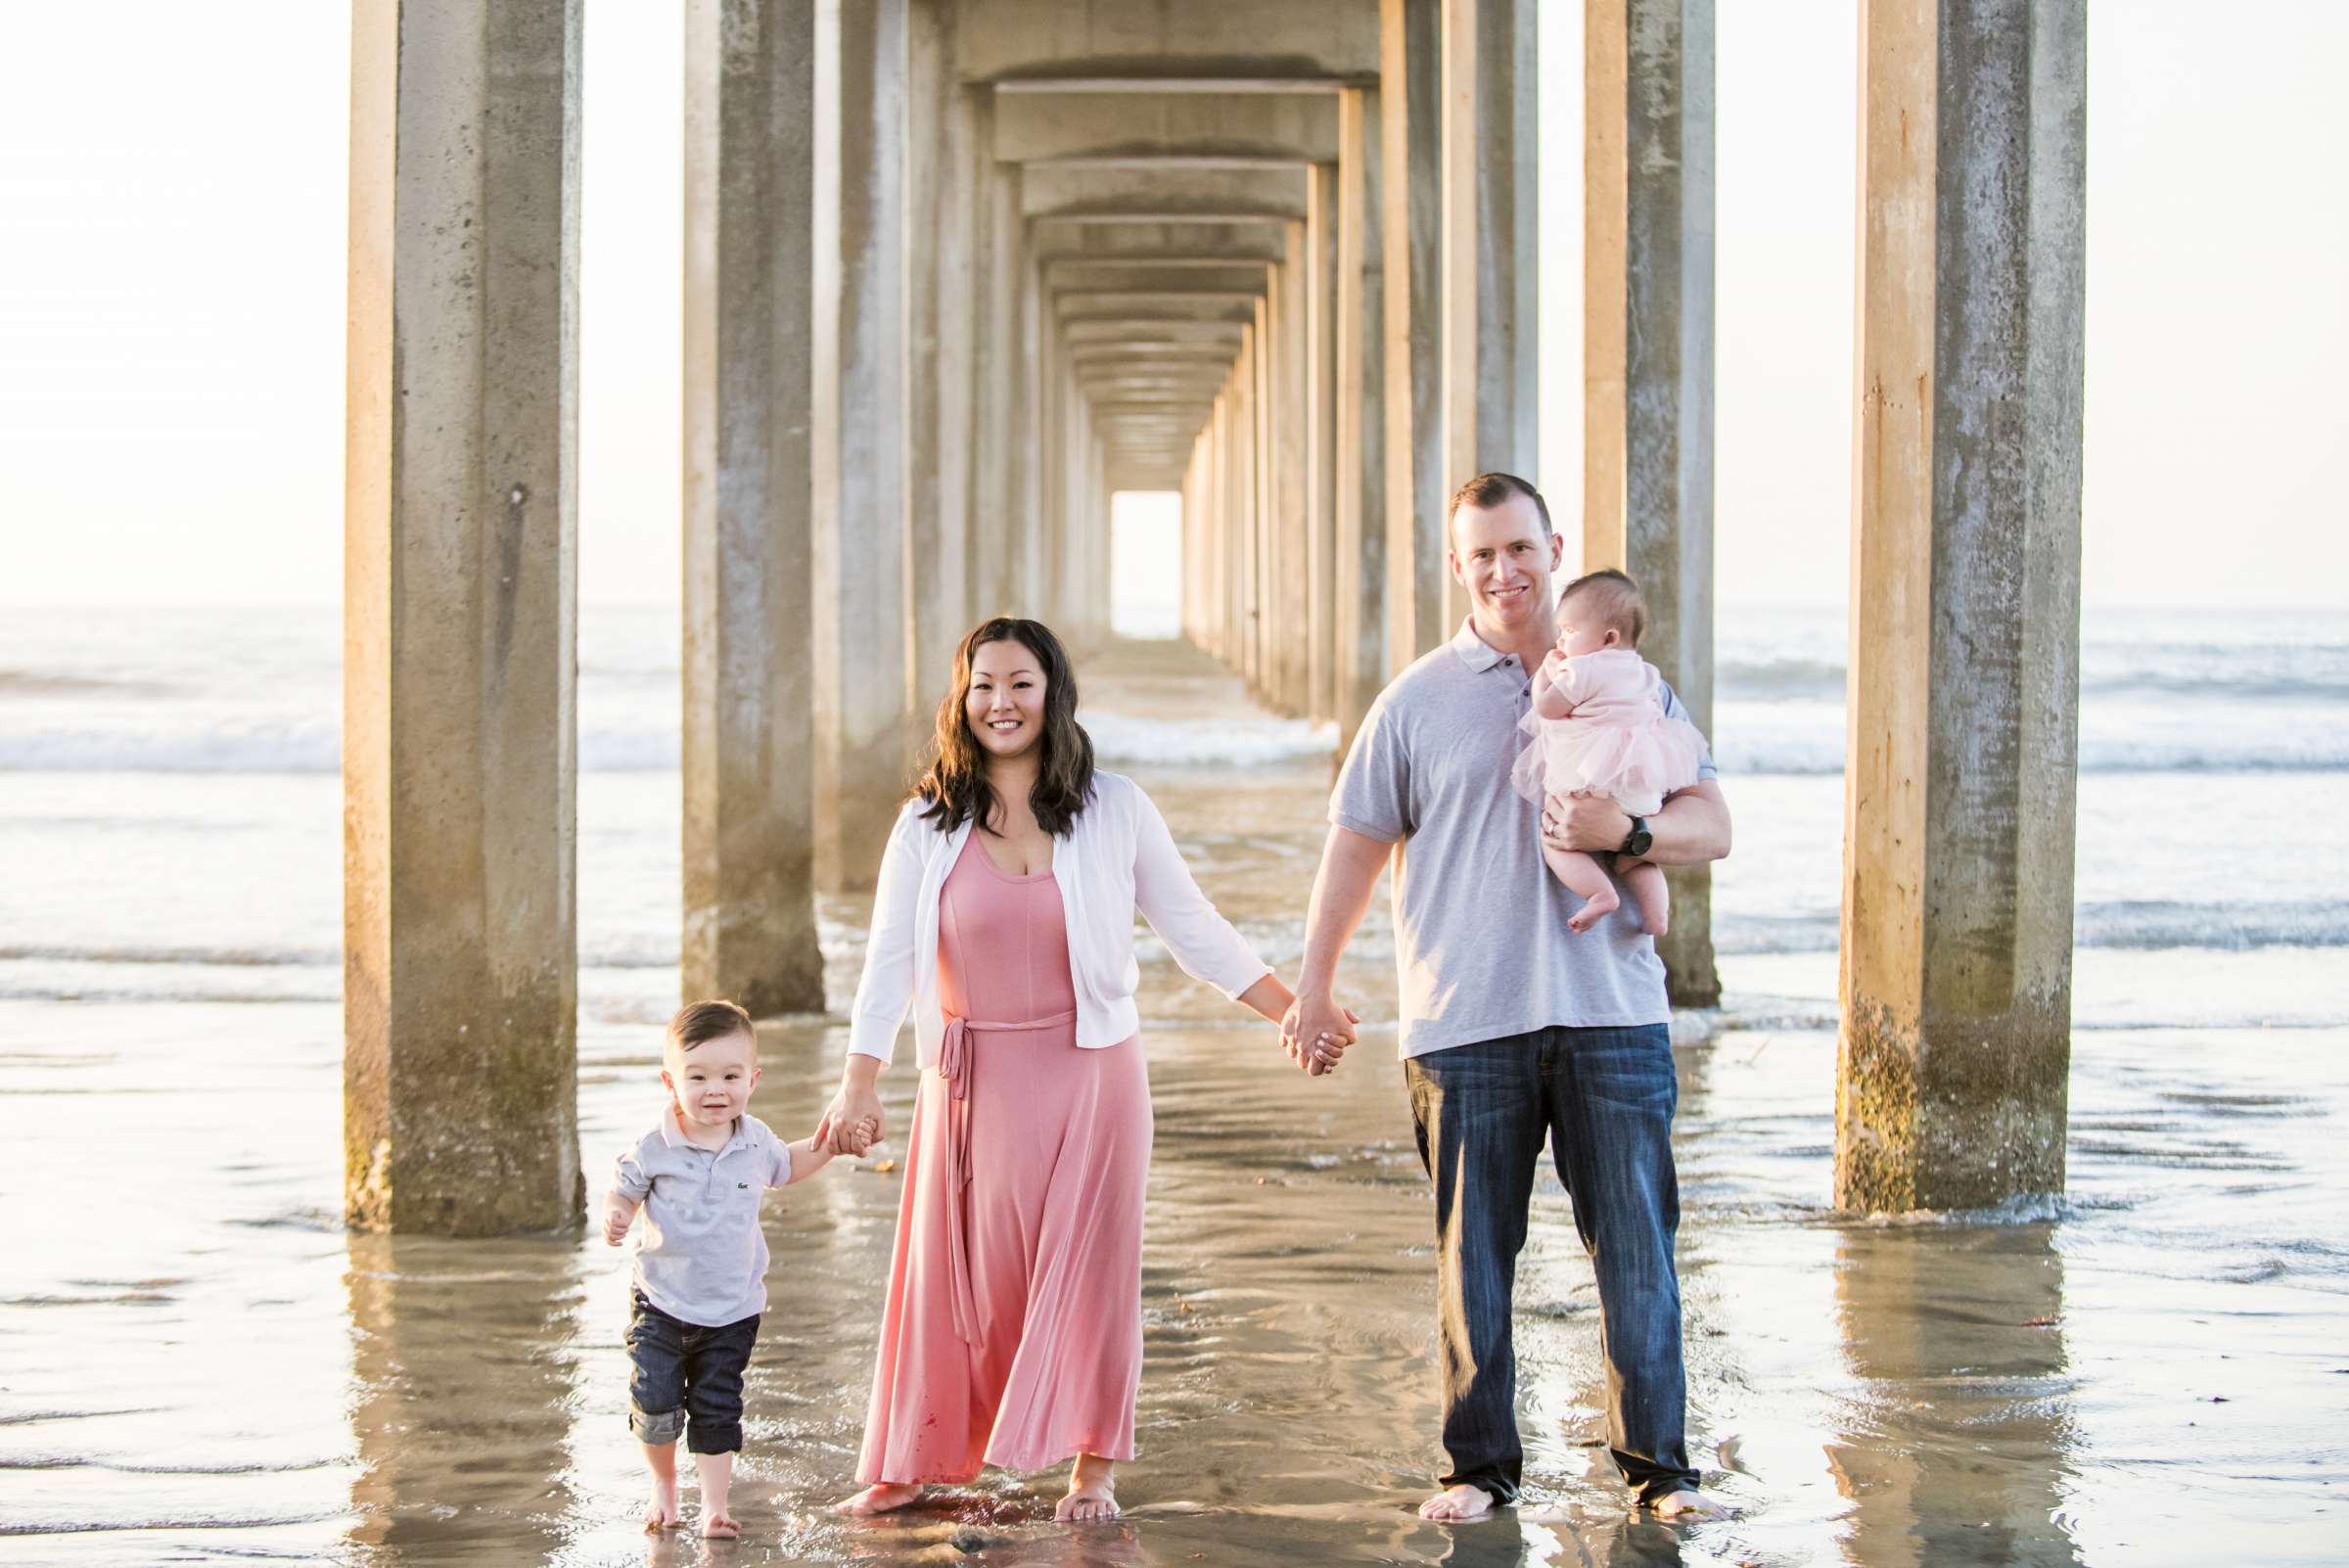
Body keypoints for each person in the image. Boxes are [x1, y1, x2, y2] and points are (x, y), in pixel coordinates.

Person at [1282, 473, 1730, 1523]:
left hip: (1612, 1015)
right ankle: (1478, 1470)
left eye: (1520, 548)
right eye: (1481, 553)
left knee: (1639, 1257)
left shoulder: (1629, 684)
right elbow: (1352, 852)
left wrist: (1627, 837)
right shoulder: (1415, 701)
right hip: (1464, 1023)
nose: (1504, 569)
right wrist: (1313, 983)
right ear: (1458, 566)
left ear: (1554, 547)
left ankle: (1659, 1473)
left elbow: (1712, 823)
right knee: (1471, 1267)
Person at [818, 616, 1311, 1524]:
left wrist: (1293, 1009)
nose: (1001, 703)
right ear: (960, 701)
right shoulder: (927, 822)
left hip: (1093, 1075)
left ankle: (1092, 1464)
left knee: (1090, 1273)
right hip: (969, 1081)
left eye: (1020, 684)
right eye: (983, 686)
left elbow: (1190, 927)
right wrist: (860, 1080)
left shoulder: (1114, 805)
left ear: (1053, 694)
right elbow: (888, 959)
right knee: (953, 1273)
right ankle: (912, 1456)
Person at [603, 999, 873, 1539]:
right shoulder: (656, 1147)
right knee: (654, 1404)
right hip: (660, 1303)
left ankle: (715, 1506)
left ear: (752, 1079)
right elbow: (625, 1186)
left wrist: (834, 1144)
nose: (715, 1089)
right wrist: (617, 1213)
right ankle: (663, 1485)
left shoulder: (755, 1142)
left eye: (730, 1076)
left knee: (718, 1407)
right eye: (697, 1076)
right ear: (670, 1081)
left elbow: (790, 1164)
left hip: (731, 1311)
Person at [1513, 569, 1711, 937]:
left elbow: (1548, 707)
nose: (1561, 640)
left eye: (1570, 631)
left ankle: (1601, 895)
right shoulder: (1647, 673)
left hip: (1593, 777)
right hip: (1643, 783)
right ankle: (1657, 917)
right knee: (1636, 858)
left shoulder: (1583, 668)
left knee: (1556, 840)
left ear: (1607, 638)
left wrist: (1545, 674)